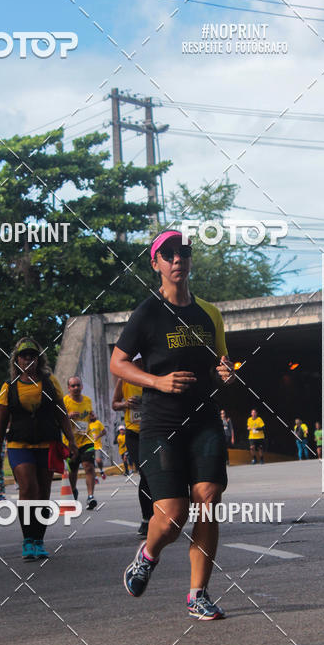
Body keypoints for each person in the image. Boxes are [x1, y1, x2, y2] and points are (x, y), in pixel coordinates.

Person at [110, 229, 234, 620]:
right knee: (173, 516)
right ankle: (148, 556)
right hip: (162, 424)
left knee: (208, 499)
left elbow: (219, 362)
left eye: (184, 253)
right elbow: (118, 362)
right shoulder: (147, 313)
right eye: (169, 255)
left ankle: (198, 592)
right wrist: (157, 381)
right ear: (156, 263)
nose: (178, 260)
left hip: (204, 420)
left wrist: (224, 372)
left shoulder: (209, 313)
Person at [0, 337, 78, 560]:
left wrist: (72, 440)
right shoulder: (8, 387)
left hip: (47, 443)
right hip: (19, 445)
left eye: (32, 356)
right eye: (24, 356)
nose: (28, 359)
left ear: (39, 359)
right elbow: (0, 423)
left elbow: (61, 414)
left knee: (43, 494)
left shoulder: (50, 383)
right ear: (16, 360)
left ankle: (39, 540)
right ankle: (27, 539)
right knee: (28, 487)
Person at [112, 370, 154, 537]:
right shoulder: (124, 379)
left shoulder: (153, 374)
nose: (138, 363)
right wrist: (125, 404)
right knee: (144, 472)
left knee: (156, 473)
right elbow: (114, 404)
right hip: (134, 433)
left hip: (154, 430)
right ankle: (146, 518)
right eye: (135, 360)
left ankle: (160, 515)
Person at [63, 376, 97, 510]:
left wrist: (93, 418)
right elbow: (57, 420)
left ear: (82, 386)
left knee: (89, 466)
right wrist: (68, 416)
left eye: (78, 385)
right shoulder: (64, 401)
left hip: (86, 440)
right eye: (73, 386)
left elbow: (90, 417)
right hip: (70, 442)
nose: (76, 388)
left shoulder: (87, 401)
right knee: (73, 470)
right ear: (69, 388)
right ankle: (73, 491)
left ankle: (90, 496)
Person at [87, 412, 107, 481]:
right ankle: (95, 477)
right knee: (91, 463)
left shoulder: (98, 423)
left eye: (93, 415)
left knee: (98, 461)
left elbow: (104, 432)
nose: (92, 416)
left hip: (97, 445)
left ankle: (101, 471)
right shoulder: (87, 424)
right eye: (91, 415)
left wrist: (98, 436)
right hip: (89, 445)